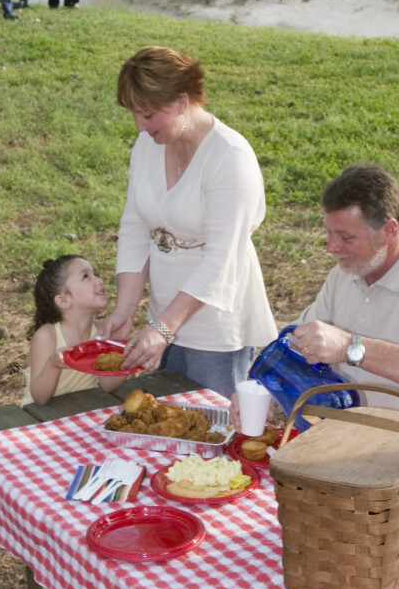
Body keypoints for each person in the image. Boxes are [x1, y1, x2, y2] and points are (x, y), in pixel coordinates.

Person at [232, 163, 399, 535]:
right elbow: (298, 345)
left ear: (390, 230)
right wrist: (262, 388)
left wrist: (353, 347)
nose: (331, 247)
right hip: (352, 487)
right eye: (329, 233)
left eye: (346, 237)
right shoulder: (345, 275)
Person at [97, 46, 277, 398]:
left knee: (214, 430)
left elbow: (221, 259)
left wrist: (164, 329)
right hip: (162, 314)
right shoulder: (147, 145)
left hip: (216, 326)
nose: (139, 126)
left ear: (181, 102)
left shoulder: (231, 158)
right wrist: (125, 310)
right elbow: (135, 227)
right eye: (135, 115)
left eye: (147, 115)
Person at [22, 255, 124, 406]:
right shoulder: (47, 336)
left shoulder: (103, 331)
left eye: (95, 274)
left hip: (82, 409)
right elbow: (39, 397)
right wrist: (52, 365)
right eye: (86, 277)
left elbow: (107, 385)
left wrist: (125, 360)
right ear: (64, 300)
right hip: (39, 416)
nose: (99, 281)